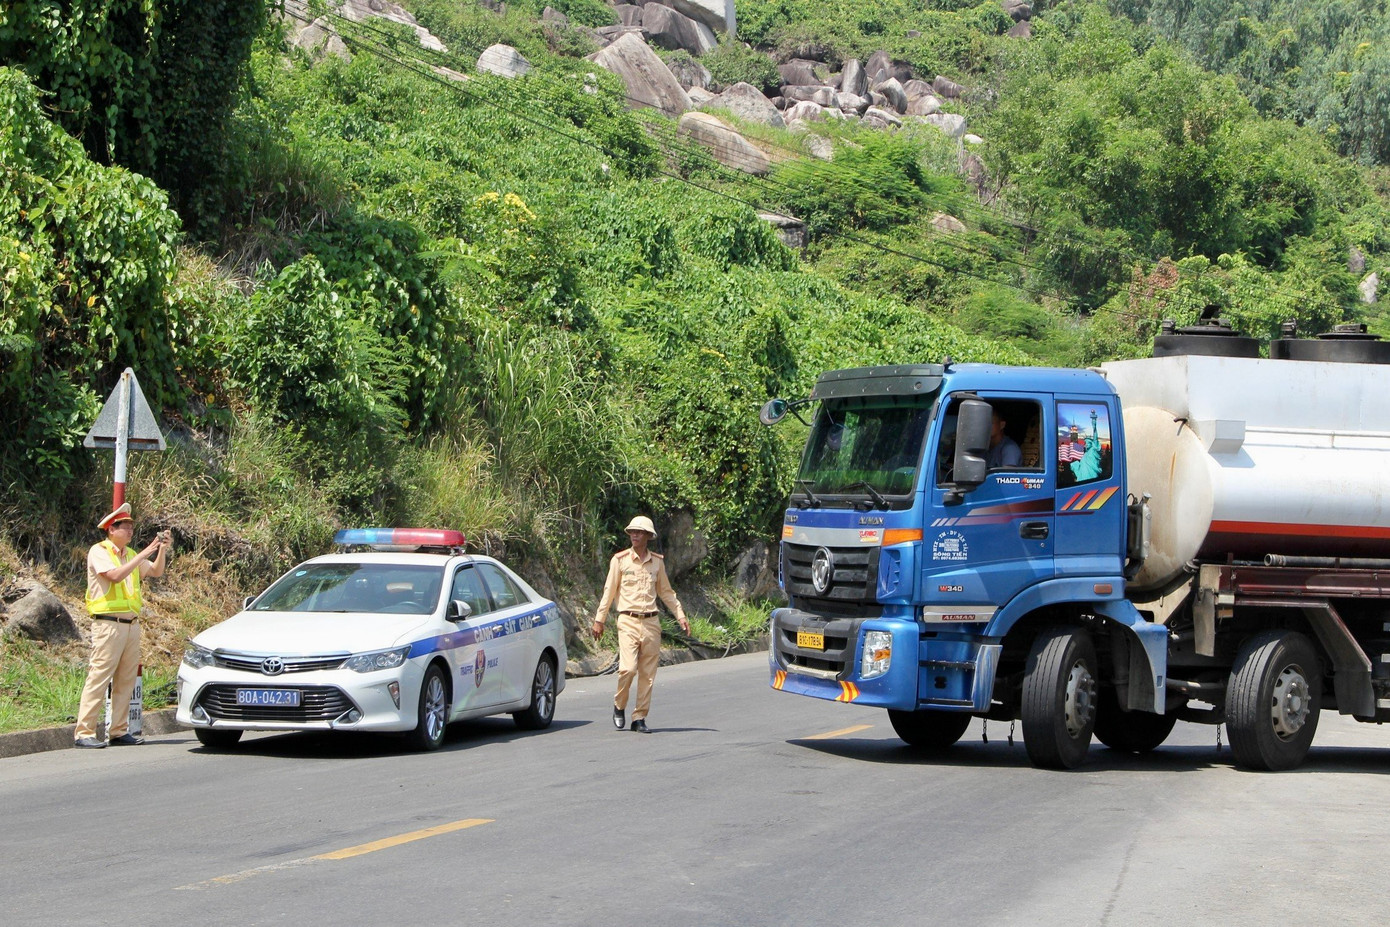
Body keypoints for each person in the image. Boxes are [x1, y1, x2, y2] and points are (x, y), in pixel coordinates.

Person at [74, 503, 171, 748]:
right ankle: (84, 732)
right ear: (111, 529)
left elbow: (155, 571)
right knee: (99, 677)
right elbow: (115, 576)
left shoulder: (131, 554)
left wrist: (161, 550)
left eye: (131, 527)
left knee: (126, 679)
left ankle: (118, 730)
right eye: (125, 527)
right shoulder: (99, 551)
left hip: (131, 624)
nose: (129, 531)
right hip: (108, 624)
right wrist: (144, 553)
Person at [591, 515, 689, 734]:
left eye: (639, 532)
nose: (634, 535)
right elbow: (609, 591)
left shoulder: (657, 562)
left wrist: (680, 615)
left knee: (648, 674)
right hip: (628, 620)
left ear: (647, 536)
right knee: (627, 669)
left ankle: (639, 717)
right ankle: (619, 705)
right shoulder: (620, 560)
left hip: (651, 622)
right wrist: (599, 619)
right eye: (632, 532)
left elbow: (666, 592)